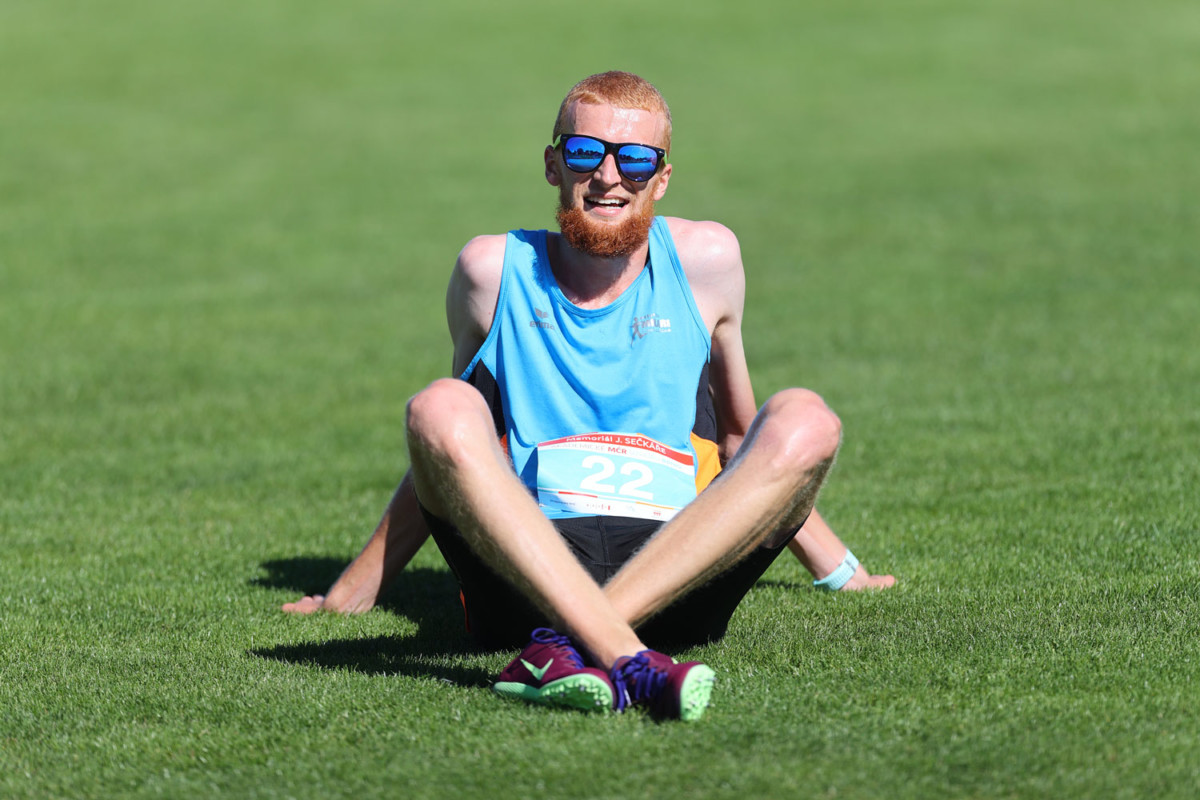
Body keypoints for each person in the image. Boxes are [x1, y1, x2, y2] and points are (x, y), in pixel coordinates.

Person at [284, 71, 894, 720]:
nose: (608, 176)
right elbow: (450, 455)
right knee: (439, 404)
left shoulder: (706, 261)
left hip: (677, 570)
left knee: (806, 416)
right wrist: (355, 589)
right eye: (584, 152)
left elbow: (744, 443)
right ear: (553, 165)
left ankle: (569, 645)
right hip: (528, 575)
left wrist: (838, 568)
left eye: (635, 160)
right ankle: (624, 654)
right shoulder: (491, 272)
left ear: (662, 178)